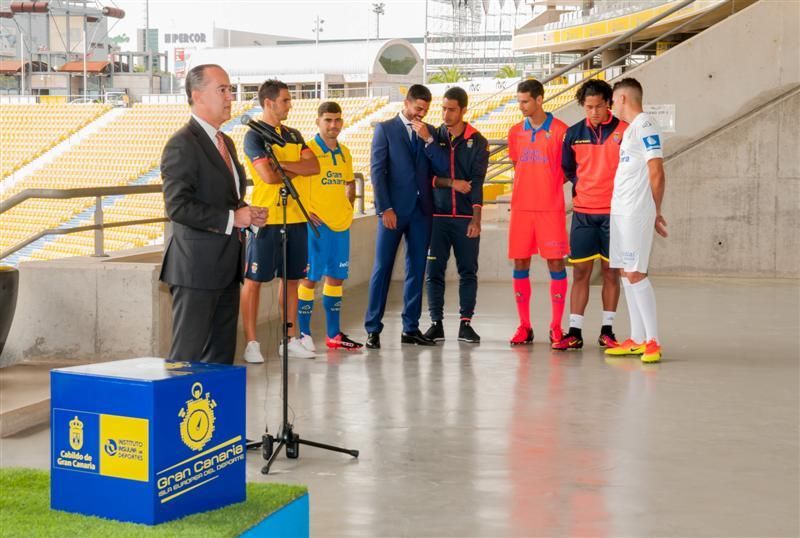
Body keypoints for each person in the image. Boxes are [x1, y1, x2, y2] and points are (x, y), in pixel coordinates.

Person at [160, 64, 267, 364]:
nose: (230, 96)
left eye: (230, 89)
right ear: (197, 95)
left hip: (227, 268)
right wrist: (233, 219)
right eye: (222, 89)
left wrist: (245, 212)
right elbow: (177, 206)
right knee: (187, 359)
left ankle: (211, 413)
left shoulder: (226, 142)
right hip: (196, 270)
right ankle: (178, 412)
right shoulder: (182, 144)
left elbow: (225, 198)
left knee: (220, 359)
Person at [240, 79, 320, 362]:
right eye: (285, 100)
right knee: (254, 280)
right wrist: (287, 167)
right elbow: (268, 176)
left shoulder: (294, 135)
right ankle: (251, 343)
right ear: (269, 103)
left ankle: (289, 338)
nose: (290, 105)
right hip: (266, 219)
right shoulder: (254, 136)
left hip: (295, 217)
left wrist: (283, 164)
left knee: (291, 281)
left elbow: (314, 165)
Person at [364, 84, 448, 349]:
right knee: (382, 268)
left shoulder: (430, 132)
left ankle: (410, 328)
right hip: (393, 212)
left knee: (417, 270)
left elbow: (443, 166)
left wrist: (429, 140)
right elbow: (377, 172)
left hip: (422, 212)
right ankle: (373, 329)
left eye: (425, 110)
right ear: (407, 103)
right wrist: (384, 208)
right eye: (417, 108)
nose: (420, 114)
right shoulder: (385, 130)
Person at [553, 79, 628, 351]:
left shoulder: (625, 131)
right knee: (581, 273)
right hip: (583, 214)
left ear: (609, 103)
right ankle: (574, 332)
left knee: (611, 273)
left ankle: (607, 331)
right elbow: (568, 169)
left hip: (615, 215)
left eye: (598, 106)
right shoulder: (573, 134)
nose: (594, 112)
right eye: (588, 107)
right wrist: (583, 186)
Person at [604, 78, 668, 364]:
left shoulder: (646, 125)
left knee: (635, 272)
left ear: (624, 99)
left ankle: (653, 340)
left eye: (614, 100)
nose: (611, 105)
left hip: (636, 212)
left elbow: (656, 170)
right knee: (624, 272)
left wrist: (655, 210)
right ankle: (638, 339)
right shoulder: (630, 131)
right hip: (620, 210)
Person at [422, 86, 489, 344]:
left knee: (468, 272)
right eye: (443, 108)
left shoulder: (477, 140)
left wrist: (476, 218)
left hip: (464, 219)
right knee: (434, 272)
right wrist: (451, 183)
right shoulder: (432, 136)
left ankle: (466, 324)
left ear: (463, 110)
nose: (446, 114)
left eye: (451, 109)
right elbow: (426, 178)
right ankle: (436, 323)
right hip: (437, 218)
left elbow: (477, 181)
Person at [506, 79, 570, 346]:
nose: (521, 106)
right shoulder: (514, 132)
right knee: (521, 263)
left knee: (556, 263)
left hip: (550, 209)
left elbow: (568, 169)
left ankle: (556, 326)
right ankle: (524, 326)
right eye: (519, 101)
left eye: (525, 101)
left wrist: (548, 184)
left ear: (540, 99)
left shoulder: (561, 131)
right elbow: (516, 163)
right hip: (521, 209)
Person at [296, 101, 363, 350]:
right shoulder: (308, 150)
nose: (333, 125)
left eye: (336, 120)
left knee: (336, 278)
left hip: (340, 226)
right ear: (318, 122)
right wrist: (305, 211)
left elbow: (349, 182)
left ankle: (334, 335)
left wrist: (347, 207)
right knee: (309, 279)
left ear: (342, 122)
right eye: (327, 120)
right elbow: (295, 185)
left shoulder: (344, 152)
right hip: (316, 227)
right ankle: (303, 335)